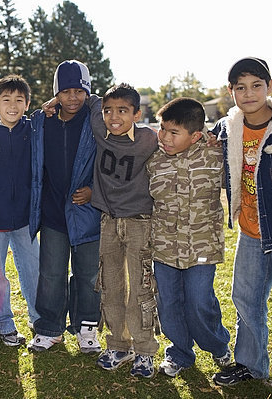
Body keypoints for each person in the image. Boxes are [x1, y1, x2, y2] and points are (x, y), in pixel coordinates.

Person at [210, 57, 272, 396]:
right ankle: (251, 363)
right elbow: (196, 135)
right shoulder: (229, 127)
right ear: (231, 92)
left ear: (269, 88)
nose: (248, 94)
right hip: (250, 230)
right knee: (246, 298)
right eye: (240, 88)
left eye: (256, 85)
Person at [147, 97, 231, 378]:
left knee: (198, 301)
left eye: (174, 132)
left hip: (202, 246)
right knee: (168, 304)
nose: (165, 137)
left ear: (196, 135)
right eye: (163, 129)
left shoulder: (215, 155)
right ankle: (180, 352)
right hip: (164, 247)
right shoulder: (153, 158)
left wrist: (218, 142)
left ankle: (218, 346)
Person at [27, 60, 102, 355]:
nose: (73, 98)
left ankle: (87, 328)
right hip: (53, 213)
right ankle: (50, 328)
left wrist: (95, 191)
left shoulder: (97, 119)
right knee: (51, 273)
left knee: (89, 274)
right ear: (56, 93)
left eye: (79, 91)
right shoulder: (43, 121)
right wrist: (42, 111)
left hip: (87, 212)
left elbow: (109, 163)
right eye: (66, 91)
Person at [87, 83, 159, 378]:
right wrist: (54, 102)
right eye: (108, 111)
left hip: (140, 222)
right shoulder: (100, 130)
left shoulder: (149, 139)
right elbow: (86, 96)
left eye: (122, 111)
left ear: (136, 113)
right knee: (111, 285)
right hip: (108, 221)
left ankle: (144, 350)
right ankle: (118, 344)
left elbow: (180, 139)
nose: (114, 117)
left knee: (141, 287)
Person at [0, 75, 40, 346]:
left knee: (32, 269)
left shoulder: (33, 129)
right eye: (6, 100)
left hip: (26, 217)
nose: (13, 105)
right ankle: (3, 323)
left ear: (27, 104)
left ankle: (39, 318)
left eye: (19, 100)